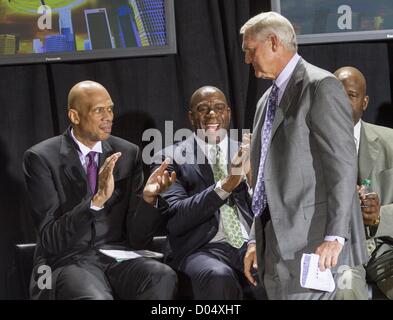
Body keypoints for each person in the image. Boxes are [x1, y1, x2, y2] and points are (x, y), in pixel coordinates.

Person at [240, 12, 367, 299]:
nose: (247, 59)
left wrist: (335, 237)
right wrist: (253, 239)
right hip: (273, 242)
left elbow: (343, 165)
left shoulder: (320, 86)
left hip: (314, 241)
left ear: (273, 42)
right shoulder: (264, 102)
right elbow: (262, 177)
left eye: (251, 50)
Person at [23, 80, 177, 300]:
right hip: (67, 260)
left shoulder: (127, 152)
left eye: (110, 109)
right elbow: (50, 239)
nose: (109, 117)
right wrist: (95, 202)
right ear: (75, 116)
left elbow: (137, 238)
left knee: (162, 276)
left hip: (116, 255)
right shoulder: (41, 158)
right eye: (99, 111)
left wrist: (148, 199)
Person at [152, 86, 262, 299]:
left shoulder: (249, 152)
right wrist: (227, 184)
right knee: (218, 277)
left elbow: (269, 207)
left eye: (219, 108)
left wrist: (252, 181)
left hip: (249, 244)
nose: (212, 114)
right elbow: (176, 218)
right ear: (191, 117)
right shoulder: (169, 158)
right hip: (200, 249)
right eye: (203, 109)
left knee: (281, 269)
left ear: (228, 113)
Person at [334, 66, 393, 300]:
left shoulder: (390, 142)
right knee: (344, 292)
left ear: (365, 102)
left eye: (351, 95)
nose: (342, 102)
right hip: (341, 252)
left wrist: (380, 215)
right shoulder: (309, 148)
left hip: (385, 247)